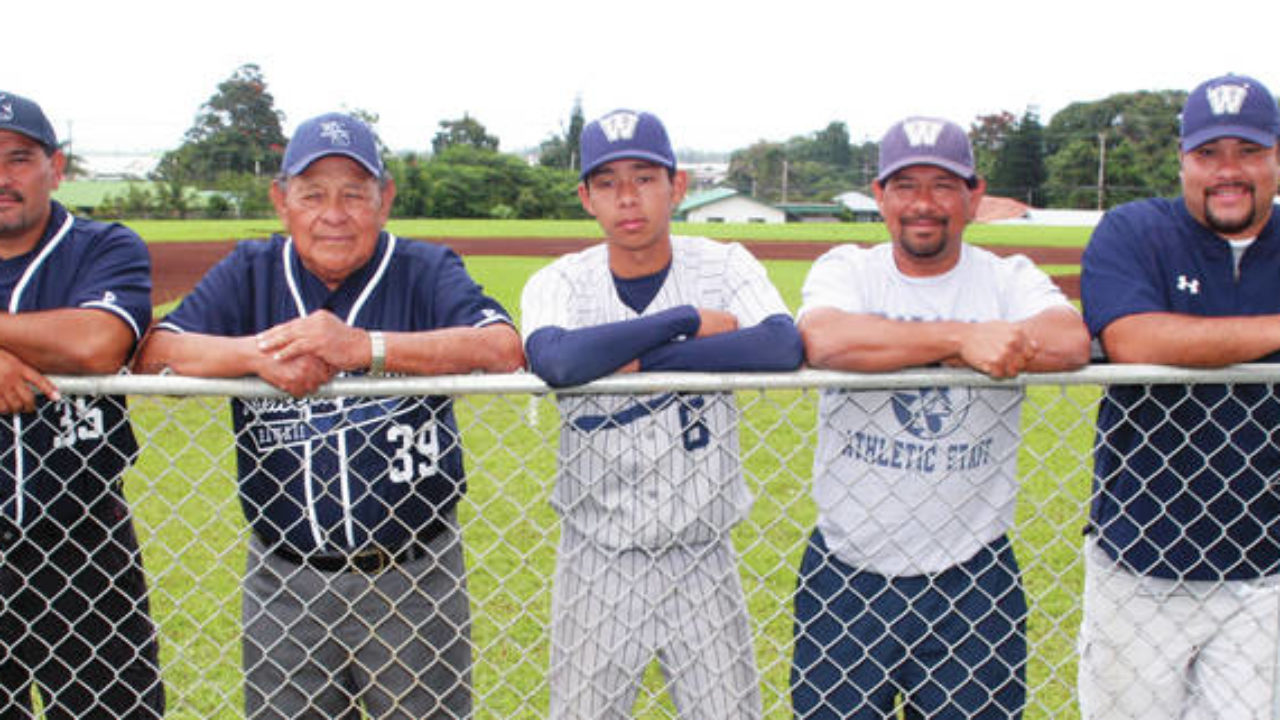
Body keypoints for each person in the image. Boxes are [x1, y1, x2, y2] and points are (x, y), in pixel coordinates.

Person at [136, 111, 523, 719]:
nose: (333, 214)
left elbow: (502, 347)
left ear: (385, 199)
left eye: (354, 194)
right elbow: (154, 351)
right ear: (281, 200)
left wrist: (366, 348)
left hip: (413, 576)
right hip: (285, 580)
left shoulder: (422, 268)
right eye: (312, 194)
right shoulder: (251, 271)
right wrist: (258, 356)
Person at [790, 116, 1090, 719]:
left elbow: (1068, 339)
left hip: (972, 575)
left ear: (974, 197)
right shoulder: (849, 268)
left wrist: (927, 343)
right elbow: (824, 339)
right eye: (905, 186)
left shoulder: (1009, 278)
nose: (923, 204)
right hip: (848, 571)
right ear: (879, 196)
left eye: (943, 186)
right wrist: (964, 340)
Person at [520, 108, 803, 719]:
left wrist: (644, 359)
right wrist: (683, 324)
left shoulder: (724, 265)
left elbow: (782, 344)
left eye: (645, 178)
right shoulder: (560, 281)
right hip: (596, 555)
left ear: (677, 186)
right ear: (586, 198)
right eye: (607, 182)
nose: (628, 197)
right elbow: (558, 361)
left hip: (701, 551)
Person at [1078, 73, 1280, 719]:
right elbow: (1136, 338)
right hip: (1141, 563)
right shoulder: (1137, 230)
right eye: (1208, 154)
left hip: (1266, 570)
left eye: (1248, 152)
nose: (1229, 172)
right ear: (1182, 160)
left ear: (1277, 156)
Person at [0, 92, 164, 717]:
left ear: (56, 167)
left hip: (83, 531)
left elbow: (97, 344)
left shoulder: (102, 246)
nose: (2, 179)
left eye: (19, 159)